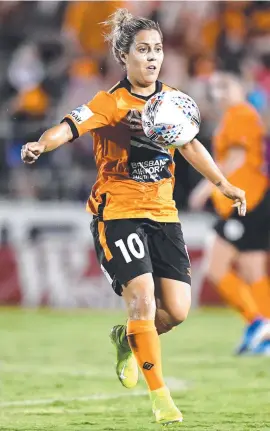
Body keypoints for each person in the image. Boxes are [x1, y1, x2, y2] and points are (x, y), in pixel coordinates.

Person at [21, 10, 246, 426]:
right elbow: (70, 126)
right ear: (124, 56)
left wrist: (223, 184)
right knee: (142, 298)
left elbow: (191, 147)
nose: (153, 57)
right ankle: (161, 400)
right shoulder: (110, 102)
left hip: (163, 213)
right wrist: (41, 143)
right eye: (143, 50)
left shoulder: (172, 101)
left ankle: (126, 339)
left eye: (157, 50)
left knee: (176, 311)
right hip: (119, 212)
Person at [189, 72, 270, 355]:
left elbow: (236, 157)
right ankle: (263, 330)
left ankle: (259, 322)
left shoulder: (241, 114)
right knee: (252, 269)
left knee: (216, 268)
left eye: (226, 86)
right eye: (215, 88)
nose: (219, 93)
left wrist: (206, 187)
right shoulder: (233, 117)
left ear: (241, 88)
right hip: (250, 202)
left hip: (247, 202)